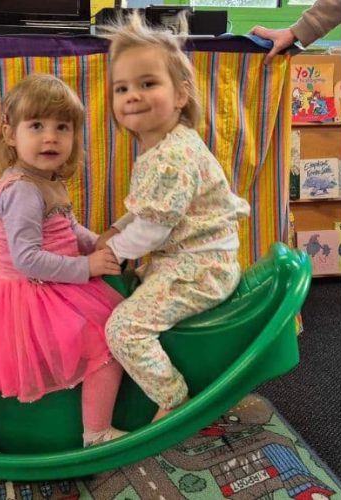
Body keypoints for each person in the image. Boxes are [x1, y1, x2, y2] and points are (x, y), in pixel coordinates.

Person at [97, 13, 252, 421]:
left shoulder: (171, 157)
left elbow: (151, 229)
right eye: (122, 88)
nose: (132, 95)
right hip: (188, 260)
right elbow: (147, 211)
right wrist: (114, 230)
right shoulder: (165, 146)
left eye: (148, 84)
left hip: (198, 268)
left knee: (123, 328)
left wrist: (110, 249)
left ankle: (172, 398)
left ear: (181, 95)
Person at [0, 74, 129, 447]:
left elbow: (68, 229)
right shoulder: (23, 189)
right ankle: (97, 433)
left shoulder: (45, 179)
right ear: (10, 134)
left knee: (117, 320)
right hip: (29, 296)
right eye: (36, 125)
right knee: (109, 344)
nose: (50, 137)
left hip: (52, 284)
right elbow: (26, 259)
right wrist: (86, 266)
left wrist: (98, 244)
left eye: (62, 127)